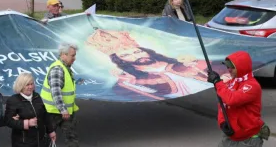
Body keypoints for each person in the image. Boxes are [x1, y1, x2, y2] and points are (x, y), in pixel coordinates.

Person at [86, 29, 218, 99]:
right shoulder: (130, 79)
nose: (136, 56)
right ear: (120, 60)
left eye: (137, 51)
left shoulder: (183, 62)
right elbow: (131, 94)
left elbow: (219, 69)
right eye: (125, 55)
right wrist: (130, 83)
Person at [208, 51, 269, 147]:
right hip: (230, 137)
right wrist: (222, 122)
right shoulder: (230, 83)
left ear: (242, 66)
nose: (229, 69)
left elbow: (232, 100)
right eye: (227, 66)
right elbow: (221, 104)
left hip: (248, 139)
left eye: (232, 66)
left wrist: (217, 82)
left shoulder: (252, 86)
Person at [40, 43, 79, 147]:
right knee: (46, 140)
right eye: (73, 55)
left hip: (65, 112)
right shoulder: (58, 69)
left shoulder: (66, 68)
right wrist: (63, 109)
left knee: (72, 139)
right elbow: (55, 90)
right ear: (63, 54)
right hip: (53, 112)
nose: (74, 58)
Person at [5, 72, 57, 147]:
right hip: (23, 143)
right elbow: (8, 121)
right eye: (27, 85)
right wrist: (27, 123)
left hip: (40, 141)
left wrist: (51, 131)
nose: (30, 87)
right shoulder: (13, 100)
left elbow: (45, 115)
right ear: (21, 86)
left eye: (31, 84)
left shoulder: (37, 96)